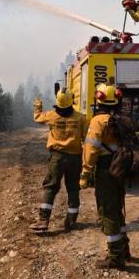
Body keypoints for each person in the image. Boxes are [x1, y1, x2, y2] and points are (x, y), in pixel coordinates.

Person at [80, 83, 130, 270]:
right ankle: (124, 249)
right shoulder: (121, 118)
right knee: (118, 208)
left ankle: (116, 258)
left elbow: (91, 150)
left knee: (108, 212)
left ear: (99, 99)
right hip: (120, 168)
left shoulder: (98, 121)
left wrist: (85, 173)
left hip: (105, 170)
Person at [29, 88, 87, 233]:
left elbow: (37, 118)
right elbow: (87, 139)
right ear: (71, 100)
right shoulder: (80, 118)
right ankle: (71, 221)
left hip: (57, 157)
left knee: (50, 187)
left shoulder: (51, 116)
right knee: (73, 188)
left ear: (58, 101)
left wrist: (37, 106)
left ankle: (43, 220)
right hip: (75, 158)